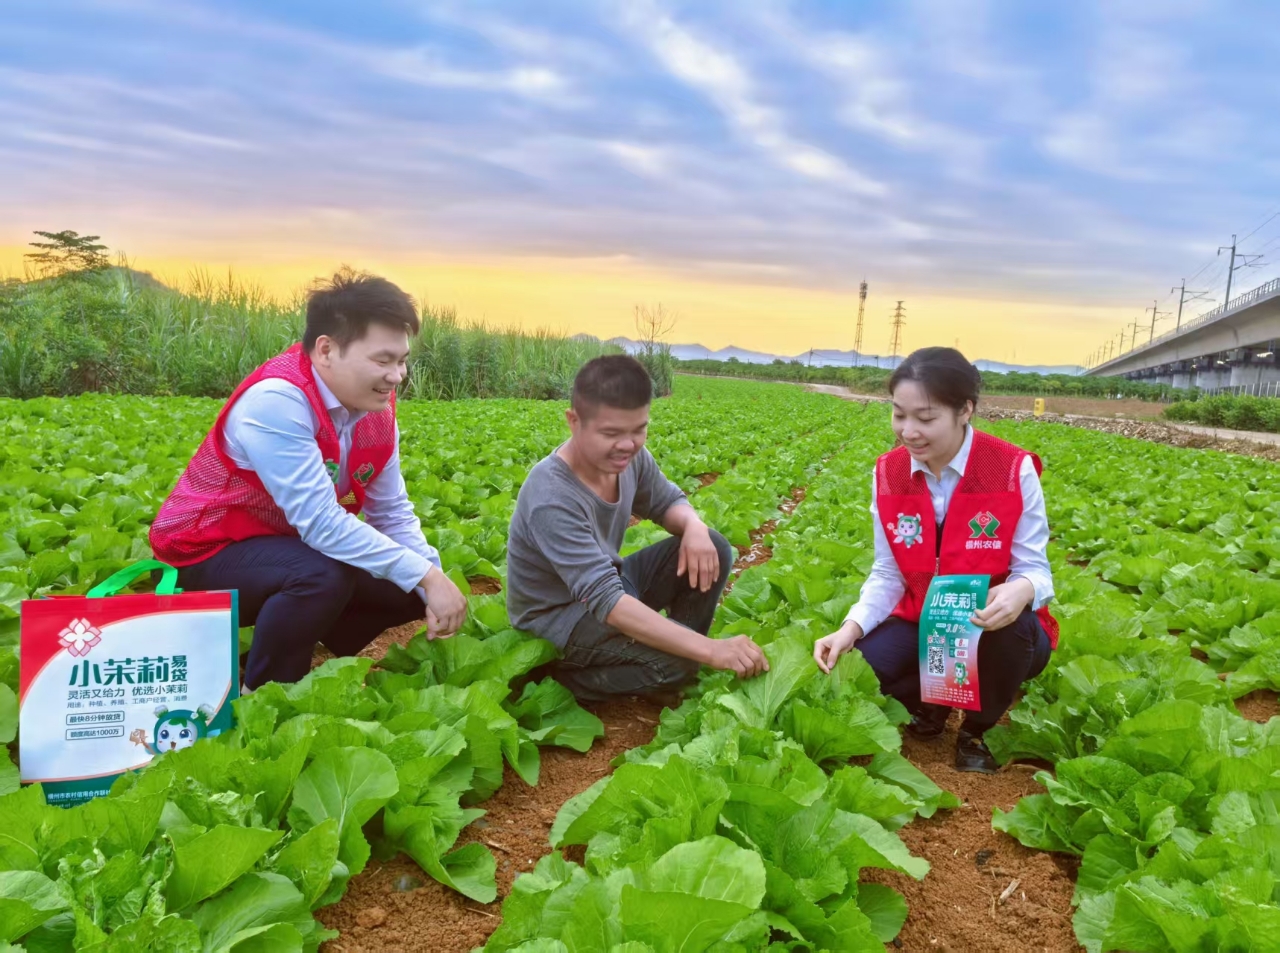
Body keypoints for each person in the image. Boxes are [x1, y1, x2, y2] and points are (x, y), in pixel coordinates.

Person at [149, 269, 467, 690]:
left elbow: (391, 512)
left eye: (402, 360)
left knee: (405, 583)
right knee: (321, 574)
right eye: (382, 360)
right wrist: (427, 577)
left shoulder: (376, 409)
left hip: (282, 546)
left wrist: (432, 582)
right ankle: (263, 693)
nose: (397, 376)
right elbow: (320, 524)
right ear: (326, 350)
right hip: (201, 553)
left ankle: (289, 644)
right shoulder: (277, 401)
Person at [812, 347, 1058, 773]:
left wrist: (1020, 590)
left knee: (1014, 629)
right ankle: (933, 705)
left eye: (925, 419)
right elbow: (887, 571)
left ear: (965, 410)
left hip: (992, 627)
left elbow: (1034, 568)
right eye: (898, 414)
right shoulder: (888, 473)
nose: (908, 432)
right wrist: (849, 629)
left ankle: (977, 730)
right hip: (924, 622)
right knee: (861, 669)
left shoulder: (1011, 469)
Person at [506, 355, 768, 701]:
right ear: (574, 421)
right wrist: (710, 650)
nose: (628, 444)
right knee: (681, 664)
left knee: (714, 547)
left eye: (638, 429)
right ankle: (551, 678)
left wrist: (693, 526)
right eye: (611, 432)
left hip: (610, 586)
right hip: (558, 620)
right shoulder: (551, 496)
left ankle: (672, 651)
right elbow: (608, 602)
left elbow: (666, 501)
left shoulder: (628, 458)